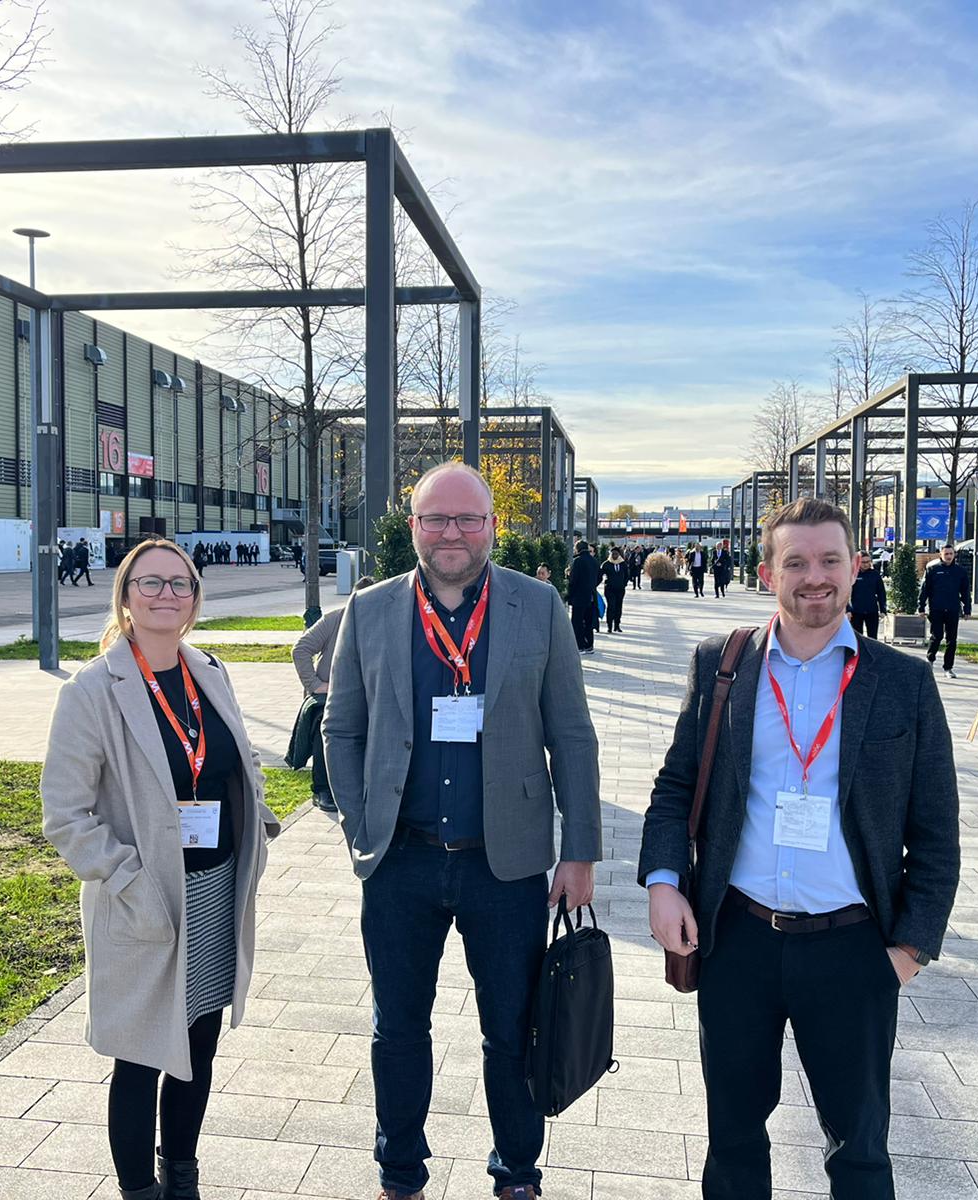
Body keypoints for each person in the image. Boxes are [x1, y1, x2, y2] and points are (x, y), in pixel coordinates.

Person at [640, 496, 960, 1200]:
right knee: (732, 1143)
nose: (814, 577)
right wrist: (664, 881)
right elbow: (674, 786)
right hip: (739, 942)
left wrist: (907, 953)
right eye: (796, 563)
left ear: (854, 569)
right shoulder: (722, 666)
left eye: (829, 561)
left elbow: (937, 833)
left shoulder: (903, 682)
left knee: (860, 1153)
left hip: (854, 951)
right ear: (766, 574)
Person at [322, 461, 601, 1200]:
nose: (451, 533)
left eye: (466, 519)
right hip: (401, 863)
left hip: (503, 867)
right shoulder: (372, 609)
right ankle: (400, 1173)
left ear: (492, 527)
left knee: (512, 1033)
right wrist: (360, 825)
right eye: (435, 519)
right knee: (398, 1031)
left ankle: (517, 1174)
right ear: (413, 526)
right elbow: (340, 727)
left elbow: (572, 734)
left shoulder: (537, 607)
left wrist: (580, 851)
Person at [42, 538, 280, 1200]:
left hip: (213, 891)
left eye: (180, 585)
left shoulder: (209, 671)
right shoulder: (94, 692)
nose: (166, 596)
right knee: (142, 1055)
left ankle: (182, 1174)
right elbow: (65, 815)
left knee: (198, 1043)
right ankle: (137, 1190)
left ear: (196, 601)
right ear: (124, 596)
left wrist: (257, 816)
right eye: (151, 583)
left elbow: (240, 756)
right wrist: (128, 881)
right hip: (144, 901)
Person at [292, 576, 375, 813]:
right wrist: (315, 683)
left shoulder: (384, 622)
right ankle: (322, 789)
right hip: (329, 695)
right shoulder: (335, 619)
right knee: (324, 724)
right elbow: (301, 649)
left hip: (367, 695)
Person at [918, 542, 971, 678]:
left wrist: (967, 610)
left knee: (951, 640)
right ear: (941, 554)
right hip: (936, 609)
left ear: (954, 555)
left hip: (953, 609)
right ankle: (930, 659)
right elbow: (924, 590)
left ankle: (948, 668)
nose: (948, 556)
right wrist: (921, 607)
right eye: (946, 554)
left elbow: (965, 592)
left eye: (951, 554)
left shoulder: (960, 572)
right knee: (937, 636)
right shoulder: (933, 570)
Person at [566, 539, 601, 654]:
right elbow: (599, 577)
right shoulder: (594, 561)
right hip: (591, 596)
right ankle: (589, 645)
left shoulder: (578, 561)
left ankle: (580, 645)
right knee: (589, 622)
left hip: (579, 597)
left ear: (578, 549)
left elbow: (573, 580)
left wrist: (569, 593)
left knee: (577, 622)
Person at [848, 554, 888, 641]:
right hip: (856, 611)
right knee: (857, 638)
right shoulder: (852, 574)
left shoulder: (875, 575)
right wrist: (847, 610)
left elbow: (881, 593)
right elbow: (845, 593)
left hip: (872, 610)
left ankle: (872, 654)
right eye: (863, 562)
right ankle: (859, 654)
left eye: (868, 562)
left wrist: (883, 609)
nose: (866, 564)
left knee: (872, 638)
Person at [601, 544, 629, 633]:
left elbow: (627, 575)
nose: (614, 556)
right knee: (611, 606)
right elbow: (600, 574)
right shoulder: (606, 564)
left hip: (620, 589)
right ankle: (609, 626)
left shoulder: (623, 564)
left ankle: (617, 625)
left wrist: (624, 584)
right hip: (610, 589)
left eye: (616, 554)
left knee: (618, 607)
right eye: (613, 554)